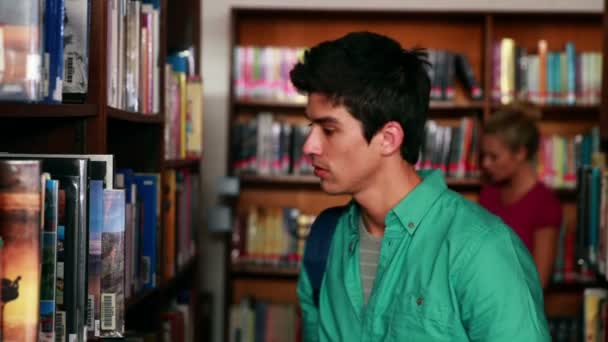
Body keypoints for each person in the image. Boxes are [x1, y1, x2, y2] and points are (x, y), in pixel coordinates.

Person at [290, 31, 550, 341]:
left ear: (388, 139)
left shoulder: (482, 248)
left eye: (329, 130)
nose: (309, 146)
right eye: (311, 126)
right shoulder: (324, 237)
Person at [479, 104, 562, 289]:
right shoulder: (488, 196)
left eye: (494, 157)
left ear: (520, 153)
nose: (485, 164)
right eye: (484, 155)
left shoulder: (544, 204)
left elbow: (538, 282)